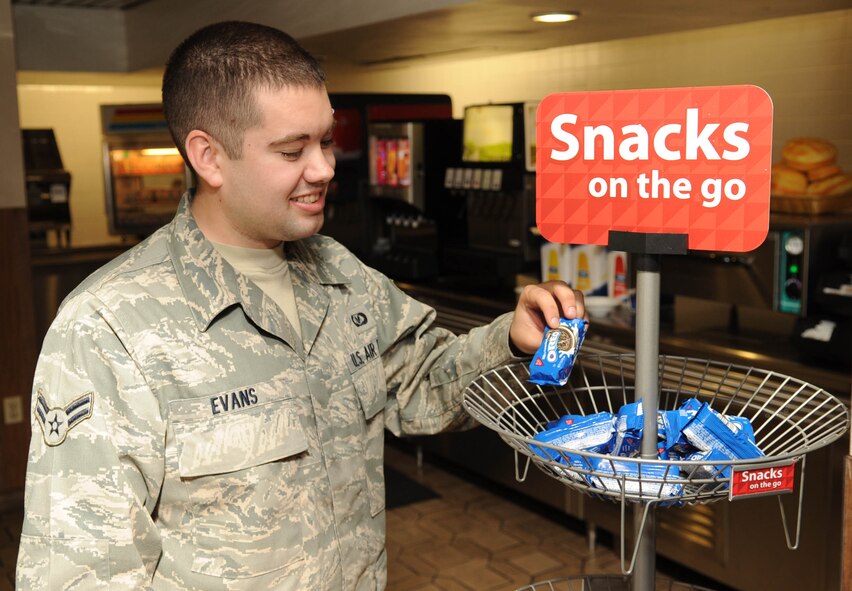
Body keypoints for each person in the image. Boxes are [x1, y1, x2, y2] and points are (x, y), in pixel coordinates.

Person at [16, 21, 584, 591]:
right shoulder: (108, 328)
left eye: (327, 141)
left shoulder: (338, 274)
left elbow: (422, 383)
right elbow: (82, 575)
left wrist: (511, 340)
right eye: (292, 150)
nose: (325, 169)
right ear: (208, 157)